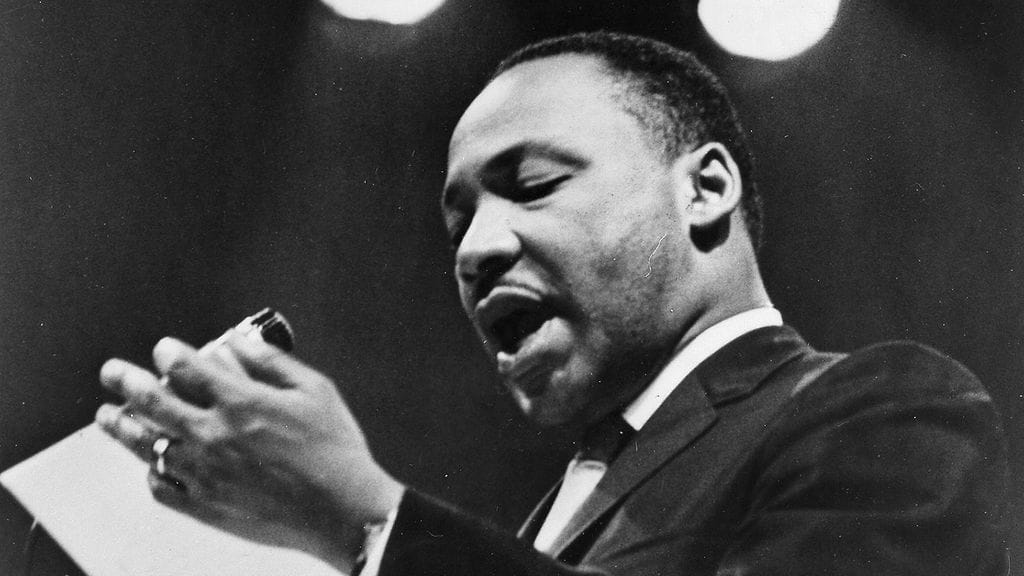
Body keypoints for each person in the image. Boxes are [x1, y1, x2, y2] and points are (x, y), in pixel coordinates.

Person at [95, 31, 1008, 575]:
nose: (475, 250)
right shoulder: (551, 514)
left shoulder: (887, 408)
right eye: (458, 224)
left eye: (533, 185)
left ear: (705, 189)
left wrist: (369, 520)